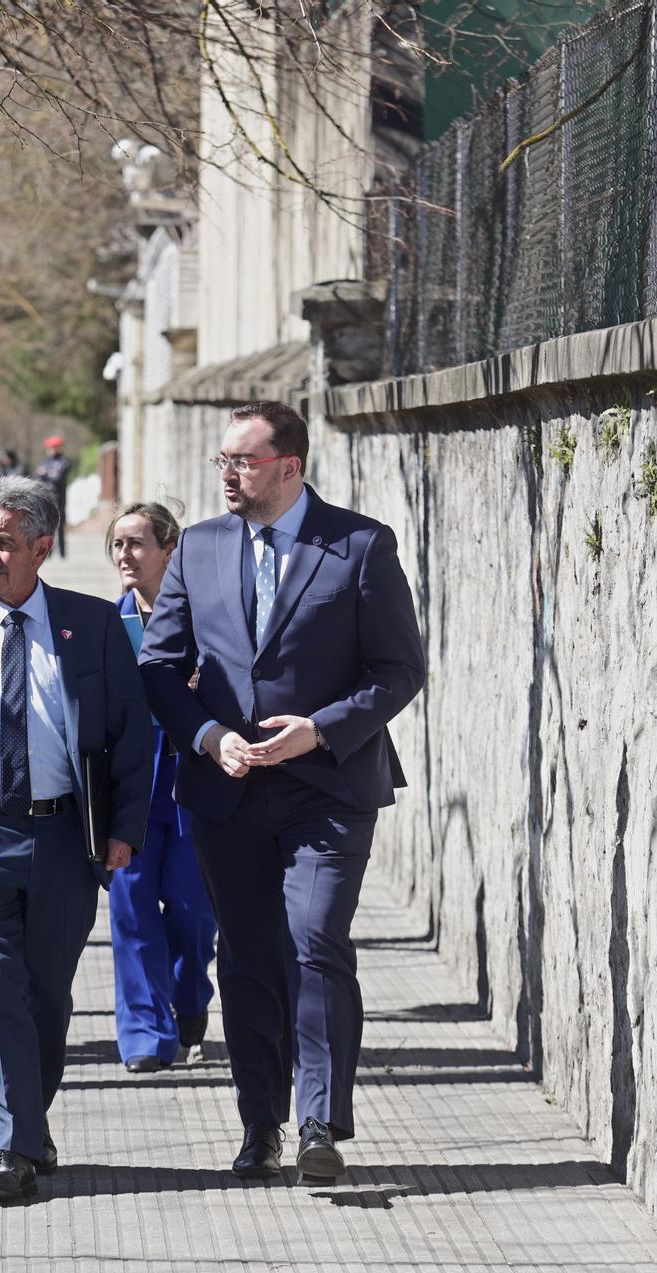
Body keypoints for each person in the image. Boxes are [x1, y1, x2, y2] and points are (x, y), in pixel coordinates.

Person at [137, 400, 425, 1184]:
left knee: (316, 938)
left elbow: (400, 669)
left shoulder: (360, 546)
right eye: (223, 461)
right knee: (251, 956)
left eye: (243, 460)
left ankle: (319, 1122)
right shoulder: (198, 548)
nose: (228, 473)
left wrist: (323, 727)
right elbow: (160, 666)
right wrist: (209, 735)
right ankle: (260, 1122)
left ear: (289, 466)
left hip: (328, 786)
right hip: (226, 790)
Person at [0, 476, 155, 1205]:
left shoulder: (91, 626)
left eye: (4, 541)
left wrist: (122, 832)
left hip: (63, 838)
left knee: (46, 993)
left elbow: (129, 737)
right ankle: (10, 1145)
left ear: (42, 547)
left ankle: (31, 1117)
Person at [104, 501, 217, 1073]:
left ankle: (189, 999)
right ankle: (146, 1032)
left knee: (194, 909)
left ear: (169, 552)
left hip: (192, 778)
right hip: (129, 784)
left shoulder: (207, 621)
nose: (125, 554)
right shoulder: (104, 625)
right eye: (118, 544)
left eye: (137, 543)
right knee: (131, 905)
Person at [33, 434, 71, 556]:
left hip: (59, 497)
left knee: (60, 525)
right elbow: (38, 476)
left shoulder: (63, 461)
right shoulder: (45, 461)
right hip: (46, 497)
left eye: (54, 448)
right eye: (49, 448)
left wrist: (46, 474)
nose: (51, 451)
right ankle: (47, 552)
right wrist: (49, 474)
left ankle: (62, 551)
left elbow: (58, 478)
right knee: (46, 525)